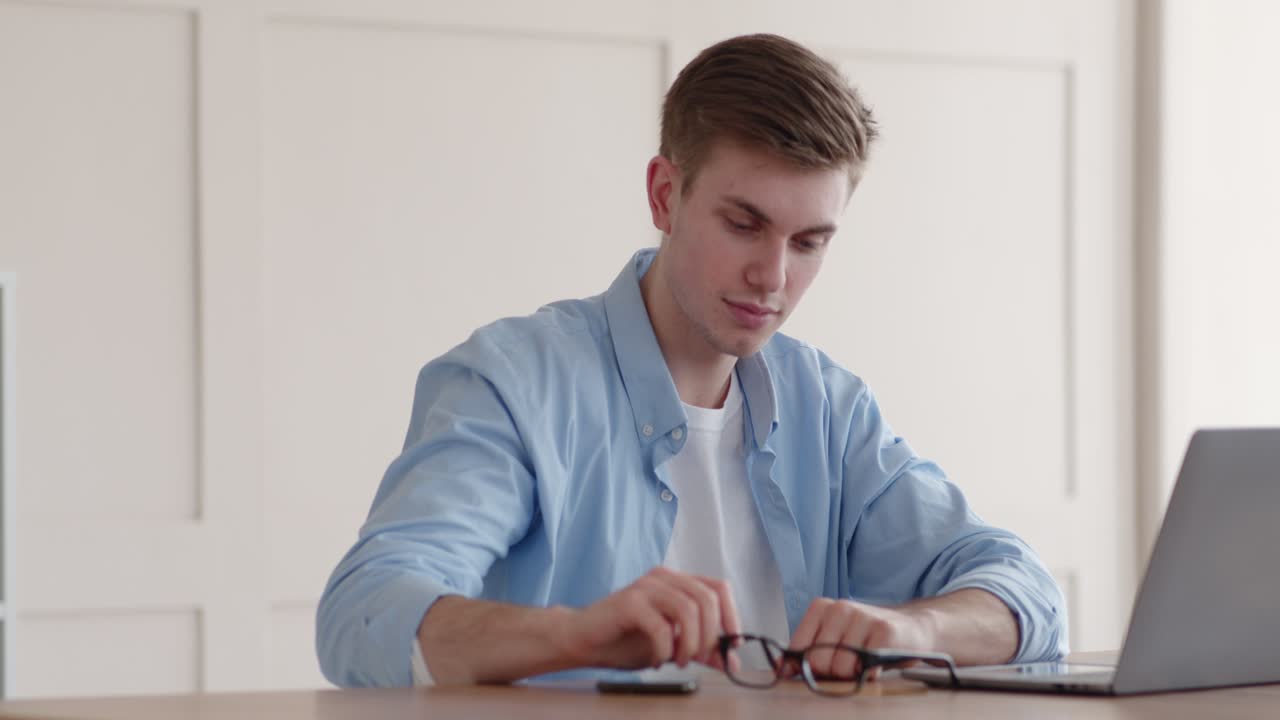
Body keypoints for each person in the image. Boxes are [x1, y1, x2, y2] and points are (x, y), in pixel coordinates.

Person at [316, 33, 1067, 688]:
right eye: (745, 224)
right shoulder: (514, 383)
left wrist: (916, 632)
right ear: (665, 194)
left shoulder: (830, 408)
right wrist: (570, 636)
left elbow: (1024, 589)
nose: (773, 278)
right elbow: (365, 612)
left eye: (810, 243)